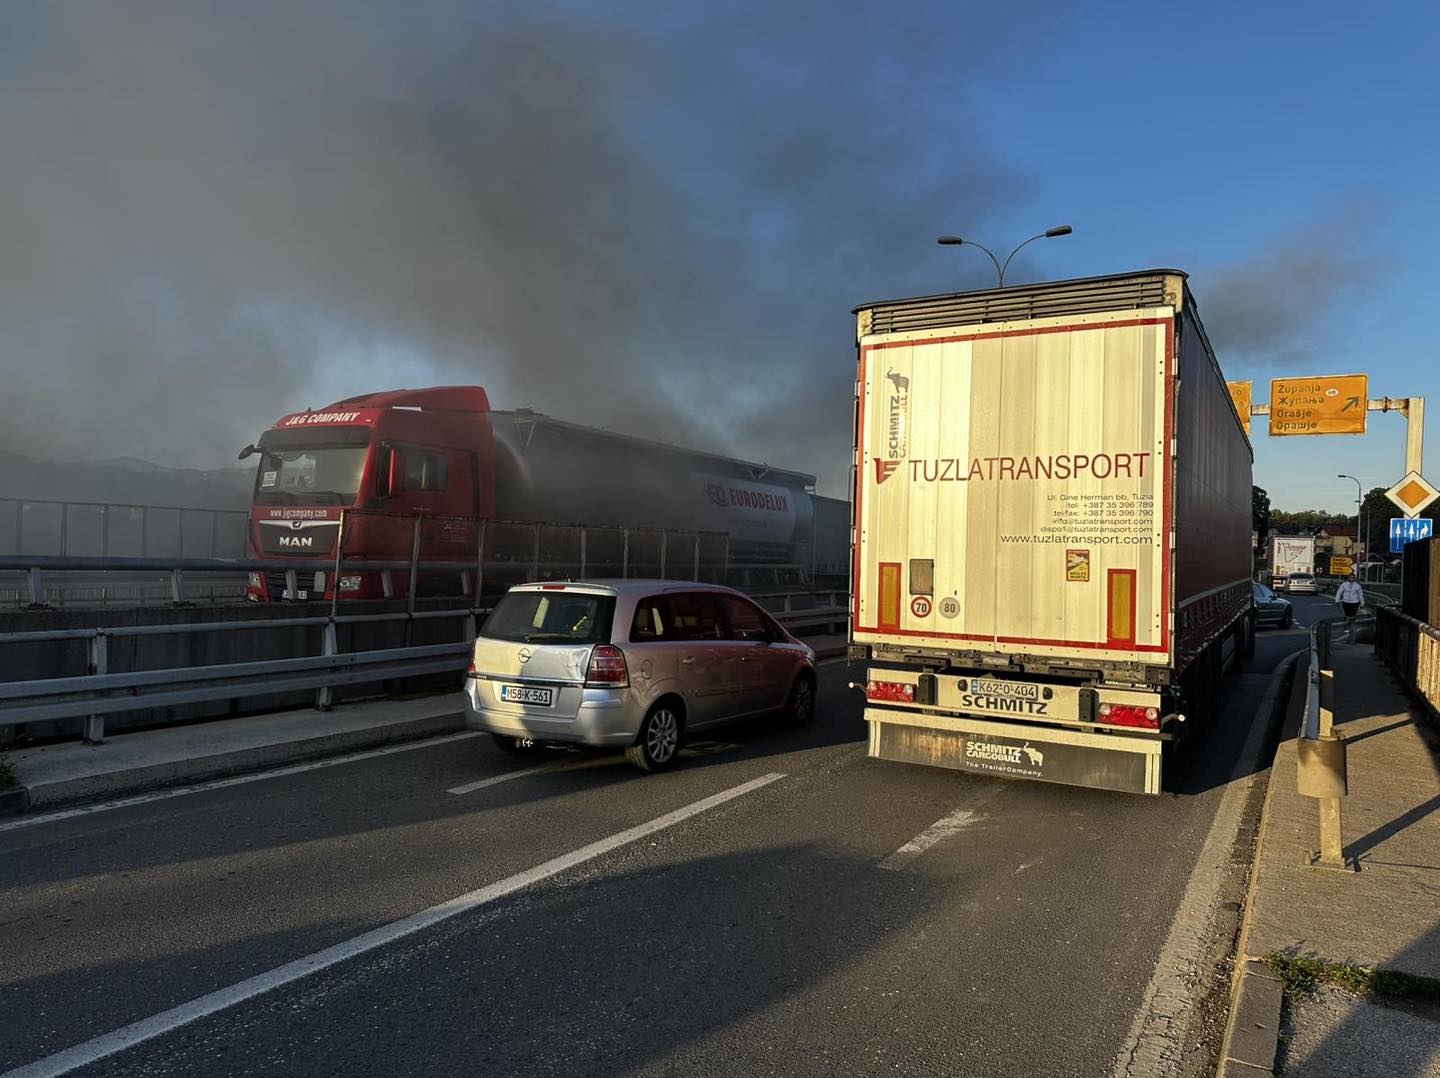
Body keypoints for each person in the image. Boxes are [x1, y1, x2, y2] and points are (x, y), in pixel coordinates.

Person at [1335, 574, 1364, 642]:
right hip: (1346, 602)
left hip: (1354, 602)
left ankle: (1352, 628)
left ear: (1354, 578)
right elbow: (1339, 592)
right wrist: (1337, 600)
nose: (1352, 578)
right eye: (1350, 577)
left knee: (1353, 616)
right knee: (1347, 615)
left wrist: (1362, 603)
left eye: (1353, 577)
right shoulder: (1344, 584)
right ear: (1348, 578)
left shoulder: (1357, 586)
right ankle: (1346, 627)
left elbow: (1360, 595)